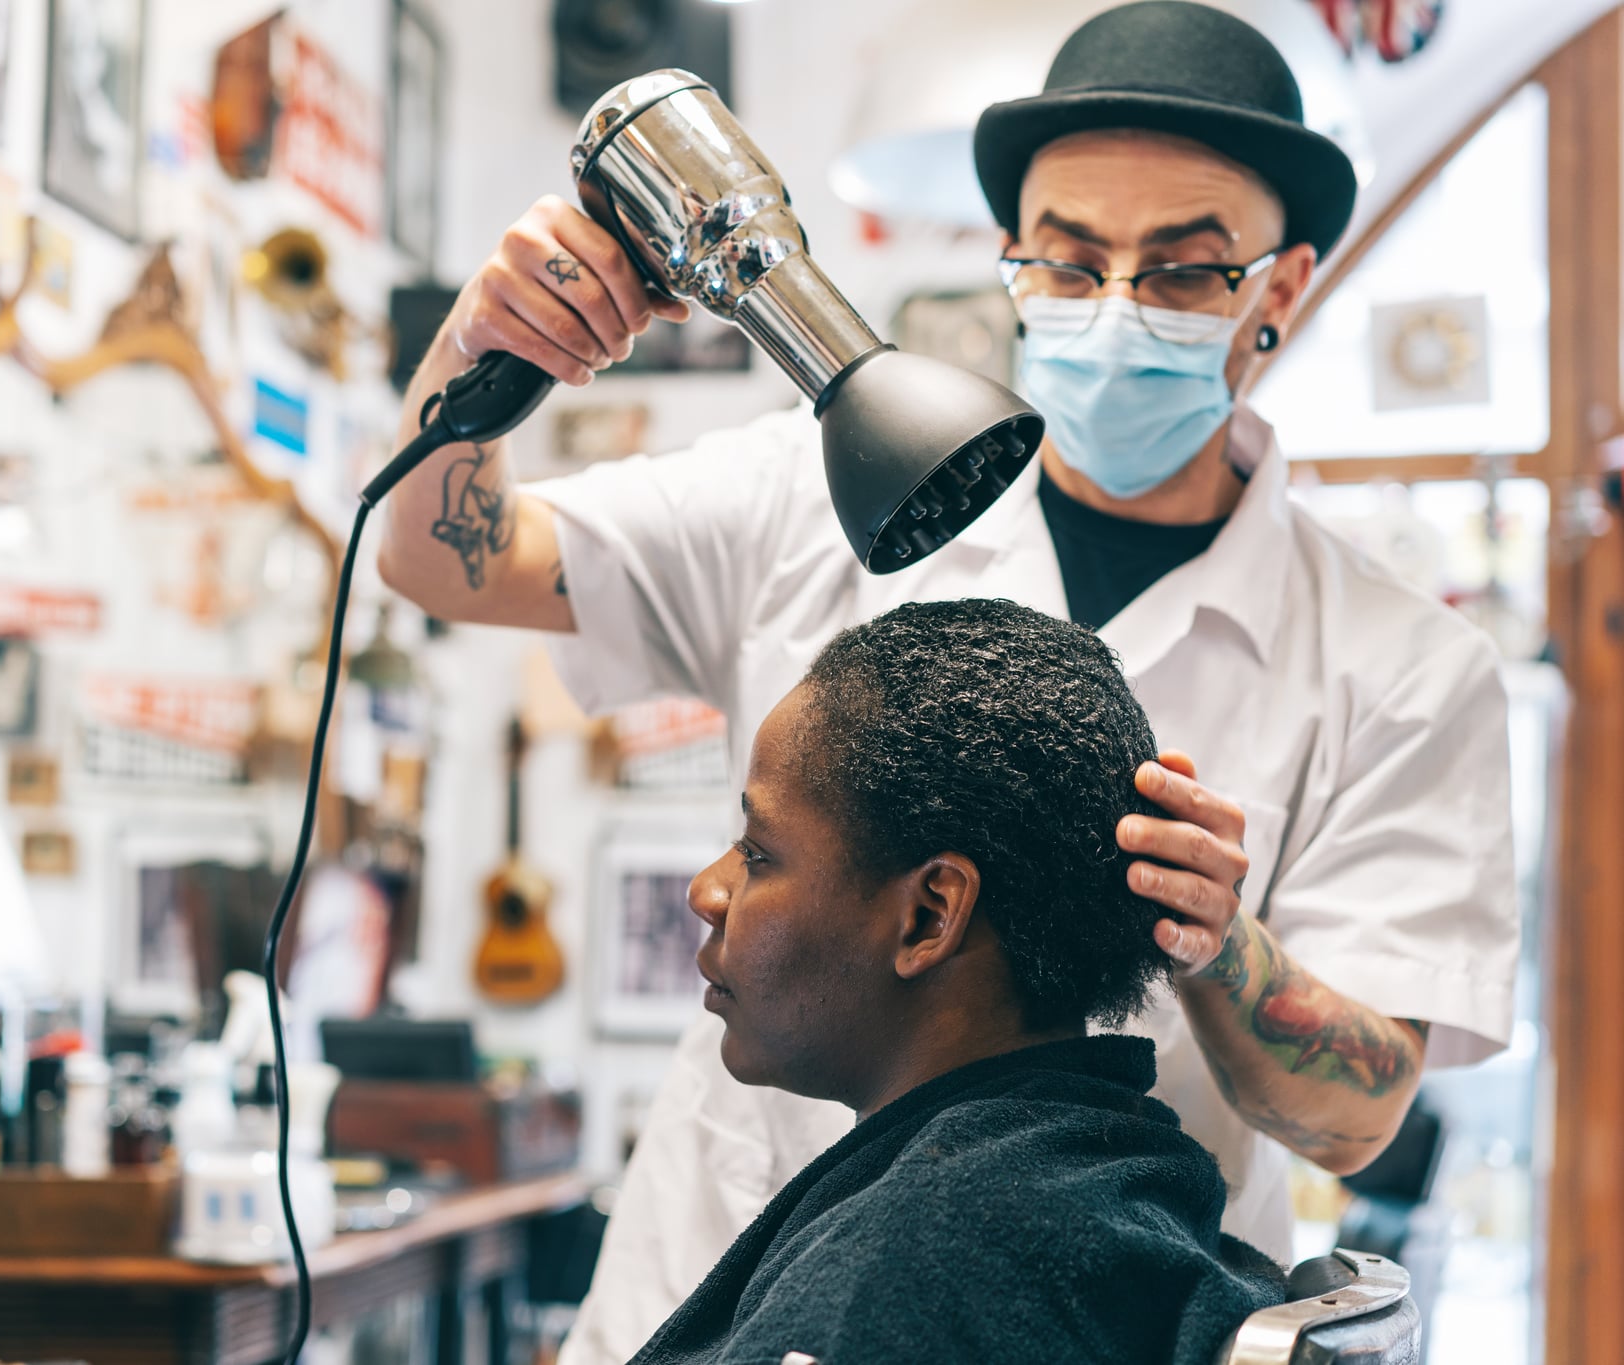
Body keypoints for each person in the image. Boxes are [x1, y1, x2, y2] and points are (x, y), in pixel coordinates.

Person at [377, 3, 1518, 1360]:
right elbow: (449, 561)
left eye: (1181, 273)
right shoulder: (804, 492)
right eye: (1072, 259)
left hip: (1068, 1314)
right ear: (1012, 263)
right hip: (721, 1277)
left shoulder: (1402, 667)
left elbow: (1358, 1112)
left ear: (1279, 289)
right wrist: (483, 346)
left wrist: (1226, 947)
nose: (1112, 309)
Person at [631, 598, 1284, 1365]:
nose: (706, 890)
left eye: (758, 851)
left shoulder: (914, 1275)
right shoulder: (1097, 1194)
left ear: (929, 915)